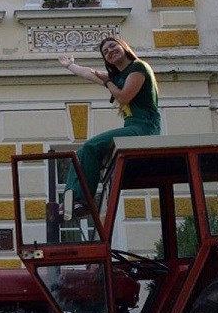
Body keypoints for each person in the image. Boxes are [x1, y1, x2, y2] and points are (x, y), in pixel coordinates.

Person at [57, 36, 161, 216]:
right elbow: (89, 73)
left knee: (91, 146)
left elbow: (124, 97)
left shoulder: (138, 67)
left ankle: (84, 201)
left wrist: (107, 81)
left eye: (113, 46)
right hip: (133, 126)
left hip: (145, 128)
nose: (110, 51)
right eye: (105, 52)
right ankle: (71, 200)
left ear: (123, 46)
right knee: (81, 153)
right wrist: (70, 66)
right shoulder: (116, 77)